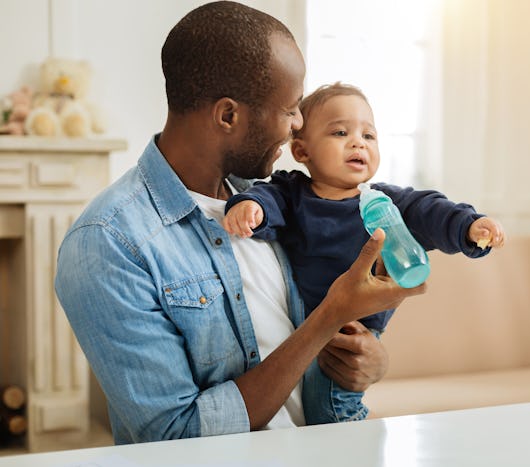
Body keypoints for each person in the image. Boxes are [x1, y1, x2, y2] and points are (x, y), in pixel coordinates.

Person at [54, 1, 425, 445]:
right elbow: (176, 435)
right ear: (228, 115)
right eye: (290, 109)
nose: (299, 126)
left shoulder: (278, 202)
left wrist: (368, 360)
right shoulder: (108, 243)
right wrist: (329, 317)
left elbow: (306, 343)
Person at [222, 82, 506, 424]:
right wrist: (250, 206)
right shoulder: (291, 192)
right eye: (340, 132)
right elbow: (268, 200)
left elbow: (431, 210)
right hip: (306, 329)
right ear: (301, 151)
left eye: (369, 136)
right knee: (306, 411)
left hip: (354, 336)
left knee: (332, 407)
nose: (358, 142)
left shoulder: (385, 202)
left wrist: (469, 227)